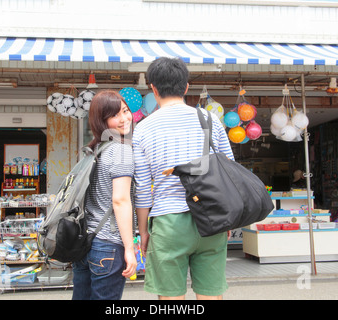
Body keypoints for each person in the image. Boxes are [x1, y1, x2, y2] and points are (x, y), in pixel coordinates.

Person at [133, 57, 235, 300]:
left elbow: (143, 189)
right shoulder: (210, 120)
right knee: (211, 293)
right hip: (211, 218)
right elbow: (229, 171)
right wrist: (228, 219)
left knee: (170, 298)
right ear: (186, 87)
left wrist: (143, 230)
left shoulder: (144, 128)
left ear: (153, 88)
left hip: (169, 222)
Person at [72, 90, 137, 300]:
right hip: (107, 245)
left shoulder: (95, 149)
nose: (124, 118)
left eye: (125, 111)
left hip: (85, 245)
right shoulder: (120, 149)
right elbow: (120, 200)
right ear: (103, 120)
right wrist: (129, 247)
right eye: (115, 115)